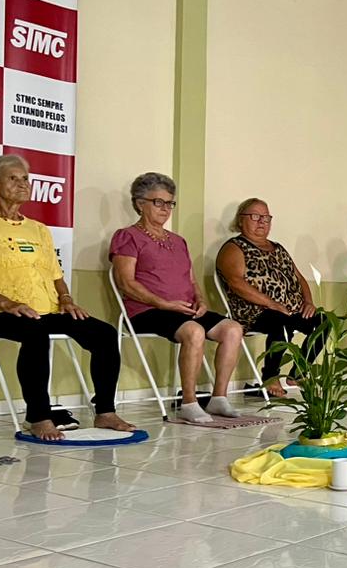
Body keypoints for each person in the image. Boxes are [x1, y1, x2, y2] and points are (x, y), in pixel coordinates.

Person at [0, 154, 136, 441]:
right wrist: (6, 303)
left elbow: (55, 274)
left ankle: (105, 412)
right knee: (35, 334)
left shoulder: (38, 229)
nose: (23, 184)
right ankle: (38, 416)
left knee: (105, 333)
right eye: (14, 178)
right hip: (2, 315)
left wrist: (67, 299)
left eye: (25, 179)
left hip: (48, 311)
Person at [111, 172, 247, 423]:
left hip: (183, 309)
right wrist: (163, 303)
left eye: (170, 203)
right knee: (194, 332)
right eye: (158, 202)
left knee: (233, 329)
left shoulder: (178, 240)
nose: (165, 209)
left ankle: (218, 398)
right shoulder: (127, 236)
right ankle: (189, 402)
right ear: (140, 203)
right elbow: (125, 283)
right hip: (146, 311)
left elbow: (191, 281)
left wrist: (202, 301)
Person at [216, 198, 320, 399]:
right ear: (240, 220)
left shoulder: (278, 248)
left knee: (323, 324)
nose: (262, 221)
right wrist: (273, 304)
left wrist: (308, 302)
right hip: (255, 312)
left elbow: (299, 278)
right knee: (281, 323)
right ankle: (271, 375)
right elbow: (236, 283)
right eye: (255, 216)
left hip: (290, 310)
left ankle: (298, 372)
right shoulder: (234, 248)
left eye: (266, 217)